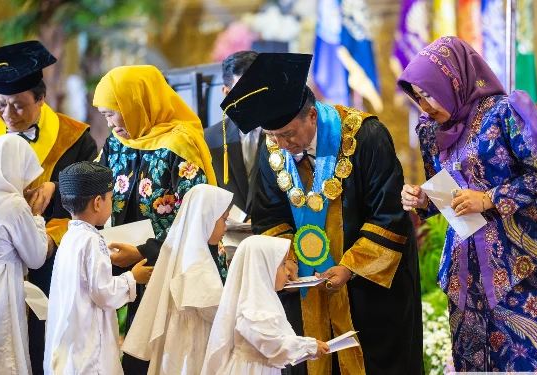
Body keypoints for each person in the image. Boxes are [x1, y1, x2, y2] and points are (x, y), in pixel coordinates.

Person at [221, 53, 423, 375]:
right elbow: (269, 215)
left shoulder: (365, 137)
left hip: (364, 290)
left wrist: (348, 268)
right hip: (304, 288)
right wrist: (284, 260)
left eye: (287, 134)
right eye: (272, 136)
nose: (280, 144)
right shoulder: (272, 147)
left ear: (312, 116)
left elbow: (388, 214)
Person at [397, 36, 537, 372]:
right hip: (463, 262)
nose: (425, 105)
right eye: (418, 97)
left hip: (517, 259)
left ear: (453, 81)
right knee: (469, 359)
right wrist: (422, 197)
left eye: (428, 93)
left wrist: (488, 198)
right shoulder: (429, 129)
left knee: (520, 359)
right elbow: (441, 191)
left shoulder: (505, 112)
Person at [93, 64, 216, 374]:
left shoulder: (179, 145)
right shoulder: (116, 144)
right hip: (126, 269)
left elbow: (198, 220)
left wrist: (146, 253)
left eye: (112, 113)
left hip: (171, 269)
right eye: (105, 116)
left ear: (136, 104)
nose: (109, 124)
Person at [0, 41, 98, 373]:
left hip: (52, 258)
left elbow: (92, 200)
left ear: (41, 98)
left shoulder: (76, 138)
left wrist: (59, 185)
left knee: (43, 339)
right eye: (0, 105)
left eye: (19, 106)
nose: (9, 116)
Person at [44, 162, 153, 375]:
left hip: (72, 338)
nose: (112, 203)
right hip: (89, 345)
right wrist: (133, 278)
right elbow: (104, 294)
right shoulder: (92, 240)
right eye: (110, 198)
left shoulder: (69, 236)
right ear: (97, 203)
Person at [122, 184, 234, 375]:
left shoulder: (182, 257)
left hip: (177, 348)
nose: (226, 226)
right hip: (188, 351)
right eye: (224, 219)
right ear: (206, 219)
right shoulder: (197, 266)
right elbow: (217, 312)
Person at [202, 235, 329, 375]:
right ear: (263, 268)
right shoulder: (252, 306)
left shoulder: (265, 299)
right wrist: (308, 346)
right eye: (282, 265)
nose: (288, 272)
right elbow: (272, 343)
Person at [0, 135, 48, 375]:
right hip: (2, 287)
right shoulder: (13, 204)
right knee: (6, 352)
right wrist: (36, 216)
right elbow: (36, 257)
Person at [205, 51, 262, 219]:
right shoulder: (208, 139)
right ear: (226, 93)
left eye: (257, 91)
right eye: (243, 93)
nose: (252, 100)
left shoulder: (285, 134)